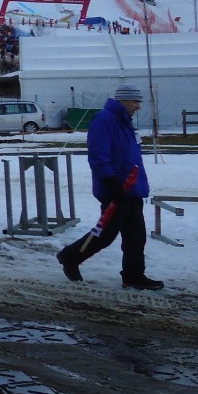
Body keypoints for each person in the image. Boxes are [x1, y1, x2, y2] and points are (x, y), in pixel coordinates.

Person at [56, 84, 163, 290]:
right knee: (105, 234)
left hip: (131, 188)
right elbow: (98, 155)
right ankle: (70, 256)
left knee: (136, 236)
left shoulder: (124, 122)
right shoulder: (105, 120)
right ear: (123, 100)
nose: (138, 106)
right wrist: (111, 182)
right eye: (135, 101)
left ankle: (133, 275)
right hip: (116, 188)